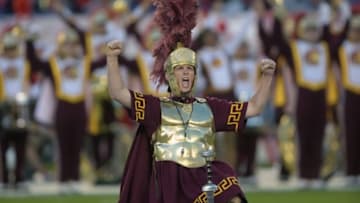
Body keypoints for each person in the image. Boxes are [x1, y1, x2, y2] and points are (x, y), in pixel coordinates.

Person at [107, 1, 276, 202]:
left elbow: (254, 108)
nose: (186, 72)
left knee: (233, 197)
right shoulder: (156, 107)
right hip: (169, 181)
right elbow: (118, 92)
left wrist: (266, 77)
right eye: (180, 68)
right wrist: (111, 58)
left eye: (190, 69)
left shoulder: (210, 106)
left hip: (202, 177)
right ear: (169, 75)